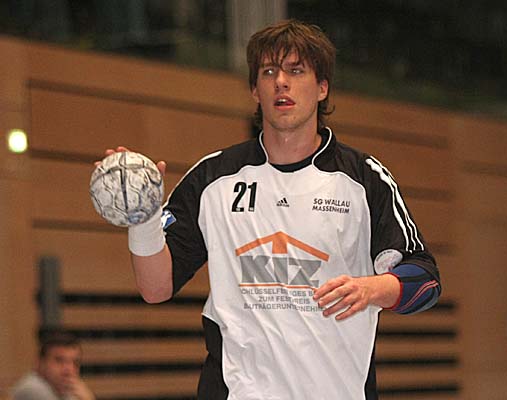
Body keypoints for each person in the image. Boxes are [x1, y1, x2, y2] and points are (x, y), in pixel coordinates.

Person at [101, 19, 441, 400]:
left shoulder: (363, 179)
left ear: (322, 87)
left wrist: (373, 288)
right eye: (268, 72)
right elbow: (155, 287)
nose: (281, 82)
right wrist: (143, 218)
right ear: (254, 90)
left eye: (296, 71)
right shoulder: (213, 179)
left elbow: (425, 281)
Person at [11, 331, 95, 400]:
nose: (69, 370)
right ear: (39, 363)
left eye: (75, 362)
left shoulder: (66, 390)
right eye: (59, 361)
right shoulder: (32, 389)